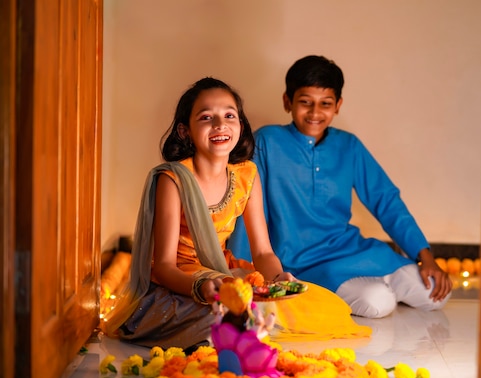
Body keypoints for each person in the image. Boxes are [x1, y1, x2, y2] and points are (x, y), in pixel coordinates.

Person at [103, 77, 370, 350]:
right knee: (229, 315)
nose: (220, 125)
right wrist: (201, 287)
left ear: (240, 126)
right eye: (207, 117)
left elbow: (263, 253)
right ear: (185, 131)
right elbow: (164, 266)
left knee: (322, 304)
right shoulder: (173, 179)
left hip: (223, 270)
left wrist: (278, 280)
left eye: (229, 115)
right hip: (182, 281)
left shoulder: (246, 175)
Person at [228, 56, 452, 319]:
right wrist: (242, 273)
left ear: (338, 106)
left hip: (354, 250)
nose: (314, 113)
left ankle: (378, 287)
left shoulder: (349, 146)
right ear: (287, 101)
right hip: (305, 262)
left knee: (437, 292)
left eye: (325, 104)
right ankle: (369, 290)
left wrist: (425, 257)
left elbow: (386, 201)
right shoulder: (267, 141)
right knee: (377, 303)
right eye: (305, 102)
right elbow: (247, 206)